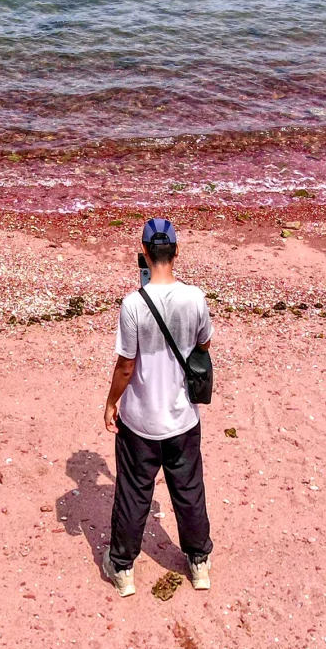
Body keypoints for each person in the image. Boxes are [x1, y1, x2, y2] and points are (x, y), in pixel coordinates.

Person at [101, 217, 213, 597]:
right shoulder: (195, 298)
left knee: (134, 492)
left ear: (145, 253)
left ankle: (123, 568)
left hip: (140, 418)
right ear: (176, 251)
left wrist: (110, 402)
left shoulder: (133, 303)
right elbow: (203, 346)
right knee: (188, 489)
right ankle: (199, 563)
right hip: (182, 415)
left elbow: (126, 364)